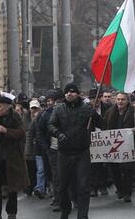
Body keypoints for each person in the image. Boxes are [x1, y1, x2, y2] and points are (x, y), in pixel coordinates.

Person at [48, 83, 98, 219]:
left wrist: (95, 115)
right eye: (67, 92)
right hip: (64, 153)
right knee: (62, 186)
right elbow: (51, 124)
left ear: (78, 94)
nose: (69, 94)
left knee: (83, 186)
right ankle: (65, 208)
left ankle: (83, 215)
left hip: (82, 152)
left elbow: (102, 124)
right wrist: (58, 134)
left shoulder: (87, 108)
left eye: (72, 92)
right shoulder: (59, 109)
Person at [101, 92, 135, 203]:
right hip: (113, 145)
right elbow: (104, 125)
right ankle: (120, 188)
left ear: (127, 100)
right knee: (114, 169)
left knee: (127, 170)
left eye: (123, 99)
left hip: (128, 145)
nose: (120, 101)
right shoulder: (109, 112)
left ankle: (127, 192)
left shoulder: (134, 112)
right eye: (118, 99)